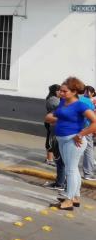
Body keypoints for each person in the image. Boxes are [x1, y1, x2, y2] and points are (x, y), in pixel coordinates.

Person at [45, 77, 96, 210]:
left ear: (74, 92)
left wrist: (81, 134)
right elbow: (50, 117)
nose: (61, 93)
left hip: (73, 140)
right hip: (62, 139)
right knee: (73, 169)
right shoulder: (63, 102)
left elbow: (94, 122)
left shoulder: (80, 105)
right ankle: (75, 197)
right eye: (60, 91)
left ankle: (68, 200)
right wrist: (59, 120)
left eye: (64, 91)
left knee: (70, 170)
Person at [78, 85, 96, 180]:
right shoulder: (89, 102)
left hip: (75, 127)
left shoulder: (78, 99)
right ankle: (88, 173)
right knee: (88, 149)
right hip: (86, 128)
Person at [44, 84, 60, 167]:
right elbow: (59, 108)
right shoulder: (53, 99)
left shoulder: (55, 98)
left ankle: (49, 158)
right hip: (51, 121)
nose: (61, 92)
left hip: (52, 121)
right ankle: (49, 159)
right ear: (55, 91)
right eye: (59, 90)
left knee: (51, 139)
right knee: (51, 140)